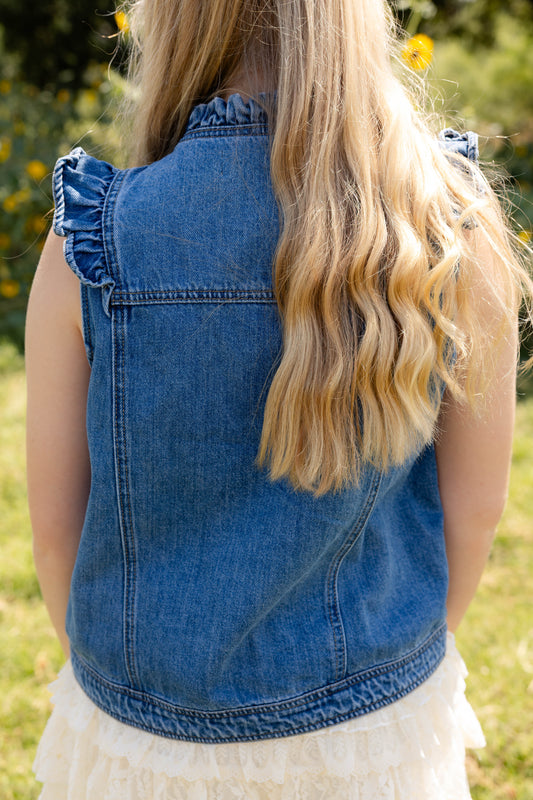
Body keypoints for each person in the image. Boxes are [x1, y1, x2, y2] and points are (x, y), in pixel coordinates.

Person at [26, 0, 532, 797]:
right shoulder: (449, 224)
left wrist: (128, 693)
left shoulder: (93, 238)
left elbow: (54, 533)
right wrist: (391, 671)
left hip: (145, 743)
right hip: (375, 737)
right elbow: (473, 511)